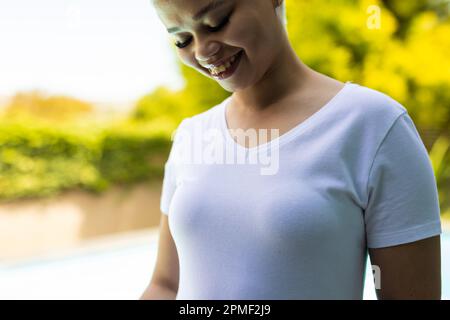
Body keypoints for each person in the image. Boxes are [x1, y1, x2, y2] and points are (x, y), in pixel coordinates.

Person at [140, 0, 442, 300]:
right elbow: (166, 285)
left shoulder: (374, 126)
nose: (202, 51)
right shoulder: (191, 136)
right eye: (182, 39)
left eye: (217, 22)